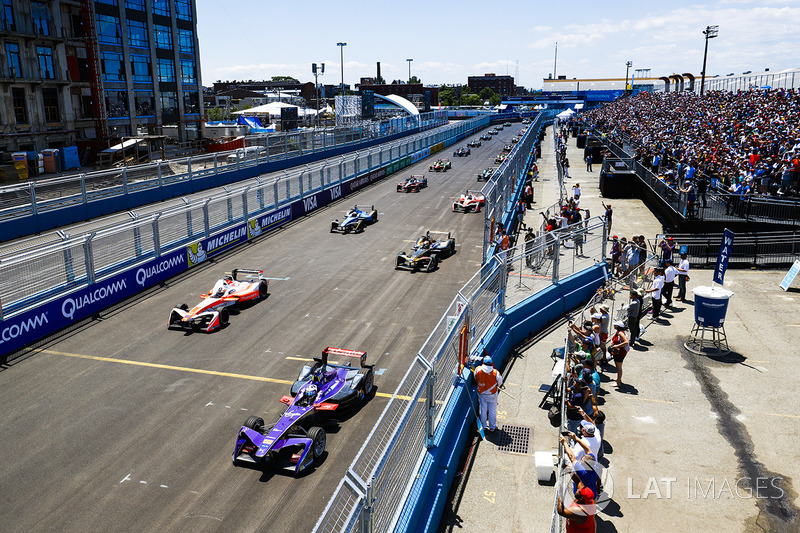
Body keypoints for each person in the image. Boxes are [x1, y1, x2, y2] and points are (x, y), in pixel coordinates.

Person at [474, 355, 502, 432]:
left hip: (482, 394)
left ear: (483, 362)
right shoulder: (495, 372)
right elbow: (500, 383)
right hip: (492, 395)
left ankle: (483, 426)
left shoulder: (477, 369)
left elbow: (476, 378)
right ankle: (492, 427)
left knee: (483, 409)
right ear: (491, 363)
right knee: (492, 410)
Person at [608, 321, 630, 387]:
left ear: (617, 326)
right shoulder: (618, 332)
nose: (614, 326)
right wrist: (612, 343)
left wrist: (616, 346)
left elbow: (626, 342)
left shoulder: (620, 333)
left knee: (619, 367)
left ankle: (618, 382)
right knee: (618, 366)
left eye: (615, 325)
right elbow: (613, 338)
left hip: (620, 352)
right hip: (618, 352)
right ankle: (618, 379)